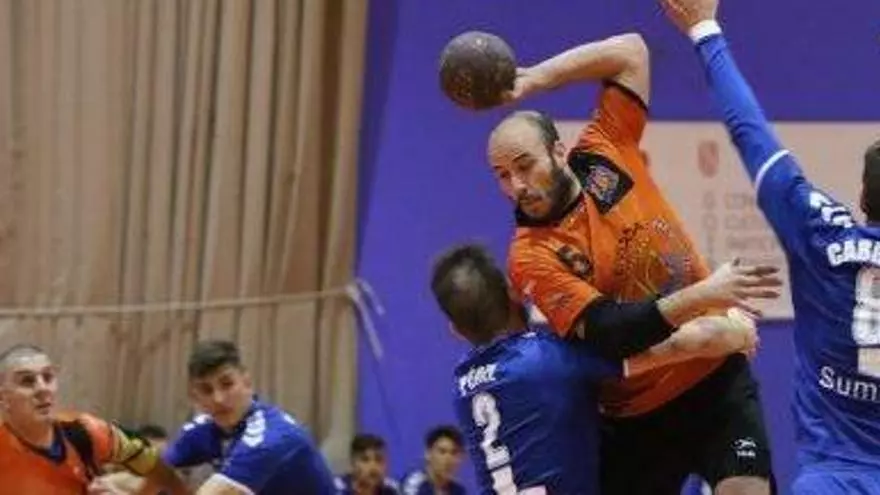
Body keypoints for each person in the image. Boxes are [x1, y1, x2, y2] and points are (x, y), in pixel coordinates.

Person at [486, 30, 779, 494]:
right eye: (502, 175)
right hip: (636, 412)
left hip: (714, 377)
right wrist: (705, 297)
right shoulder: (530, 254)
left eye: (525, 166)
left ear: (559, 151)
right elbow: (613, 333)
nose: (517, 185)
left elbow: (632, 51)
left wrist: (532, 80)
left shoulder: (604, 150)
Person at [659, 0, 880, 491]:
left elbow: (751, 133)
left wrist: (704, 30)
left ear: (863, 196)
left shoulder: (821, 234)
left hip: (830, 481)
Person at [430, 244, 765, 494]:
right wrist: (738, 329)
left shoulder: (462, 384)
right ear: (514, 293)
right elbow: (678, 346)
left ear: (455, 330)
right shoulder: (552, 358)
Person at [140, 339, 336, 495]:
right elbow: (153, 472)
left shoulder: (270, 436)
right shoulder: (202, 429)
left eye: (227, 384)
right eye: (206, 390)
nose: (218, 399)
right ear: (195, 397)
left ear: (247, 382)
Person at [0, 344, 184, 494]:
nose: (43, 388)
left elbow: (159, 467)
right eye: (27, 381)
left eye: (48, 377)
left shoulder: (88, 430)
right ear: (2, 397)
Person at [400, 425, 466, 495]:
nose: (448, 460)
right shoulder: (414, 484)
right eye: (442, 452)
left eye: (454, 453)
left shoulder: (458, 491)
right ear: (427, 454)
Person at [335, 433, 401, 494]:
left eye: (378, 460)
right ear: (353, 463)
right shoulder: (336, 488)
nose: (373, 466)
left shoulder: (393, 489)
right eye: (365, 460)